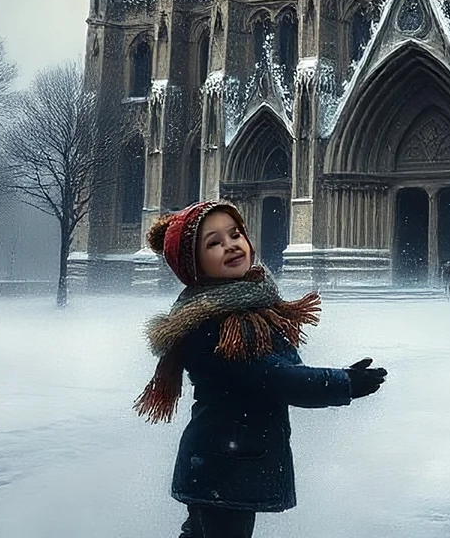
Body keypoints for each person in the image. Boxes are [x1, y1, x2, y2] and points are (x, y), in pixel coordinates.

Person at [134, 201, 386, 538]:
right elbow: (273, 378)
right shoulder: (218, 323)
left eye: (235, 233)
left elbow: (277, 370)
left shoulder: (246, 307)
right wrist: (343, 384)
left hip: (223, 461)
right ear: (195, 266)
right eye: (213, 243)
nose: (231, 245)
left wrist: (340, 376)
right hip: (225, 465)